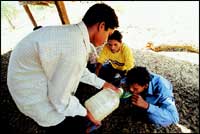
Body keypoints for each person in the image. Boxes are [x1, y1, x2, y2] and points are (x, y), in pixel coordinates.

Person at [7, 3, 120, 133]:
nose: (106, 40)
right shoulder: (75, 48)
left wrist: (102, 83)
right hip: (33, 95)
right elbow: (60, 99)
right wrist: (87, 113)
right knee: (64, 123)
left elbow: (78, 69)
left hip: (27, 81)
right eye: (108, 34)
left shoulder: (72, 34)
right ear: (101, 26)